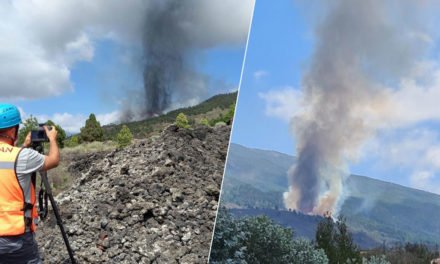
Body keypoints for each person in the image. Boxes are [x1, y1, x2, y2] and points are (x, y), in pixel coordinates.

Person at [0, 103, 59, 263]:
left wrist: (24, 145)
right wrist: (52, 139)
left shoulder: (20, 154)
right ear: (13, 130)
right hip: (16, 237)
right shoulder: (23, 156)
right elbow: (53, 160)